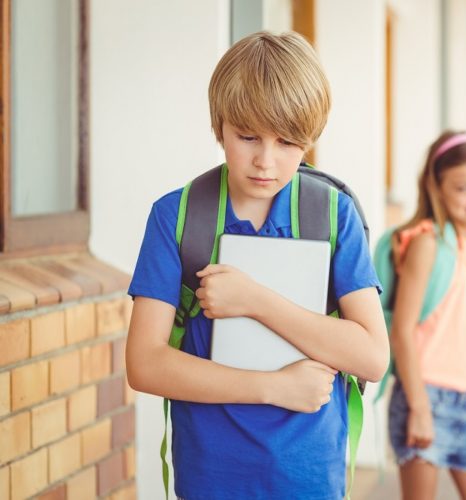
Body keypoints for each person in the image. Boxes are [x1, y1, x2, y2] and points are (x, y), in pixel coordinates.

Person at [125, 31, 389, 499]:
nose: (266, 161)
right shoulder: (178, 217)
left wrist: (255, 300)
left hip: (309, 473)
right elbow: (144, 365)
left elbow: (371, 356)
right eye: (247, 137)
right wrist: (272, 388)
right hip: (211, 475)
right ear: (218, 125)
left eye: (288, 143)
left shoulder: (332, 214)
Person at [386, 131, 466, 500]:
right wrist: (419, 409)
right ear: (436, 188)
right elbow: (402, 332)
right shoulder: (427, 245)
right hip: (426, 398)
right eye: (463, 188)